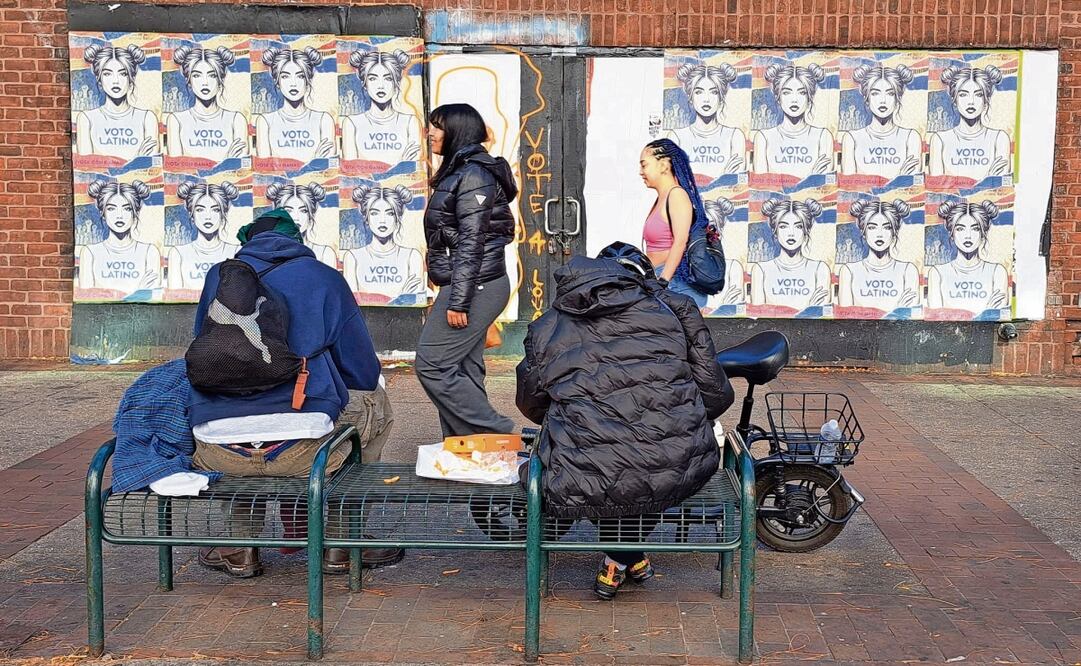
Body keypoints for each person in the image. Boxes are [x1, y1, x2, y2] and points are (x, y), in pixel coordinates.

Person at [189, 209, 401, 577]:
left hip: (219, 455)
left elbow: (201, 349)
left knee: (235, 414)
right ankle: (339, 543)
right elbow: (363, 372)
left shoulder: (218, 278)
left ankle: (240, 547)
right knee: (374, 405)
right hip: (306, 455)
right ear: (297, 242)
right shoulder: (324, 279)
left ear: (248, 241)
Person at [516, 241, 734, 600]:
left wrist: (582, 417)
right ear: (643, 278)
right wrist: (672, 416)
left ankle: (620, 558)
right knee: (645, 469)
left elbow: (531, 403)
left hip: (581, 466)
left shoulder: (547, 325)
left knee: (599, 467)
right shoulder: (677, 308)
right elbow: (715, 394)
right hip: (672, 460)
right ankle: (623, 557)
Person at [417, 103, 517, 437]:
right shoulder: (461, 171)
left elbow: (473, 241)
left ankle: (499, 432)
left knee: (432, 364)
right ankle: (470, 451)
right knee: (463, 367)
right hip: (472, 281)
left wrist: (458, 300)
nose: (430, 132)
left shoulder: (474, 173)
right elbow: (463, 233)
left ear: (458, 131)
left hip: (477, 285)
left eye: (438, 126)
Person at [639, 138, 711, 308]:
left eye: (644, 165)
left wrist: (663, 282)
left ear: (664, 165)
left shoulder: (676, 196)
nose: (640, 172)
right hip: (661, 281)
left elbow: (680, 242)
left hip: (674, 285)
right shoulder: (662, 198)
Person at [75, 44, 159, 161]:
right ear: (99, 80)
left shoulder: (147, 118)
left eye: (123, 73)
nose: (115, 81)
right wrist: (137, 159)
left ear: (131, 79)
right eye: (107, 74)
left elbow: (151, 165)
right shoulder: (86, 119)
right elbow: (87, 166)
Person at [344, 184, 425, 303]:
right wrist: (400, 297)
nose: (382, 220)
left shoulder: (412, 257)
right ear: (366, 218)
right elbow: (351, 303)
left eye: (390, 213)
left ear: (398, 217)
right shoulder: (353, 257)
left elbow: (414, 301)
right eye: (374, 213)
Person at [752, 61, 834, 179]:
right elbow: (762, 184)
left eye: (802, 93)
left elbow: (823, 186)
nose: (794, 100)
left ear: (810, 98)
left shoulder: (823, 136)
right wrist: (811, 177)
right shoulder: (764, 137)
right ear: (778, 97)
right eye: (787, 92)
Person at [78, 179, 162, 294]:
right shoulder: (90, 253)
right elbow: (86, 296)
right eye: (111, 208)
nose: (119, 215)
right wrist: (138, 290)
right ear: (103, 213)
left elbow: (152, 296)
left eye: (127, 208)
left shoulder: (149, 252)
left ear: (135, 212)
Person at [927, 199, 1009, 316]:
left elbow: (998, 315)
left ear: (983, 233)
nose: (968, 236)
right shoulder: (937, 273)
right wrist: (985, 311)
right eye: (960, 228)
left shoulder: (997, 272)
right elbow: (936, 317)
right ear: (952, 233)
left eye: (975, 228)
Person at [166, 45, 248, 162]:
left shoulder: (236, 120)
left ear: (221, 80)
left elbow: (240, 168)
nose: (205, 82)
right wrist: (226, 160)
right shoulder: (176, 120)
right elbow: (177, 168)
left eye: (212, 75)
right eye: (196, 75)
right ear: (188, 81)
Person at [928, 65, 1012, 179]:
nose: (971, 101)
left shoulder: (999, 138)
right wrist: (987, 178)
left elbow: (1001, 186)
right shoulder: (939, 139)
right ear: (954, 100)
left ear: (986, 101)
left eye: (978, 94)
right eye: (963, 94)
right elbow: (936, 187)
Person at [837, 198, 920, 312]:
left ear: (894, 232)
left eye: (887, 227)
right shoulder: (849, 271)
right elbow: (846, 317)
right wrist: (897, 308)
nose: (879, 234)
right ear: (863, 232)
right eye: (872, 227)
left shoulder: (908, 270)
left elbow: (910, 315)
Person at [342, 49, 421, 167]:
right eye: (373, 78)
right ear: (364, 84)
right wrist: (400, 165)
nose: (381, 86)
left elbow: (413, 168)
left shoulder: (410, 122)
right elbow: (352, 171)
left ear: (396, 83)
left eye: (388, 78)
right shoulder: (352, 123)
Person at [255, 47, 336, 162]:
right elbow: (265, 170)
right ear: (276, 81)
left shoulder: (324, 120)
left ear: (308, 80)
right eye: (285, 76)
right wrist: (314, 160)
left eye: (300, 76)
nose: (293, 83)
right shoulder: (264, 121)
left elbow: (327, 169)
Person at [840, 64, 922, 179]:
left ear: (898, 98)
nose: (883, 100)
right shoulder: (851, 138)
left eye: (890, 93)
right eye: (875, 93)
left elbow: (912, 185)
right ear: (866, 99)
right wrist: (900, 177)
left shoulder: (911, 137)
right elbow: (849, 185)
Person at [749, 197, 831, 311]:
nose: (791, 233)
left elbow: (820, 313)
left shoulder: (820, 269)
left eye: (798, 226)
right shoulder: (761, 270)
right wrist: (808, 308)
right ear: (775, 231)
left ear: (806, 231)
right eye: (783, 226)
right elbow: (758, 313)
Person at [666, 62, 746, 177]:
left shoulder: (735, 136)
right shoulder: (676, 137)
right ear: (690, 97)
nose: (706, 99)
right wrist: (722, 176)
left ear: (721, 98)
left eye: (714, 92)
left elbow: (736, 183)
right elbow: (672, 181)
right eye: (699, 92)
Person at [168, 181, 240, 290]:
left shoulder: (236, 252)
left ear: (223, 214)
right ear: (191, 215)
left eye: (215, 209)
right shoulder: (178, 253)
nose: (208, 216)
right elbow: (174, 297)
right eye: (200, 209)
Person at [265, 181, 337, 268]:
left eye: (303, 211)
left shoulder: (325, 253)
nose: (296, 217)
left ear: (311, 214)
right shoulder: (267, 254)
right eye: (288, 210)